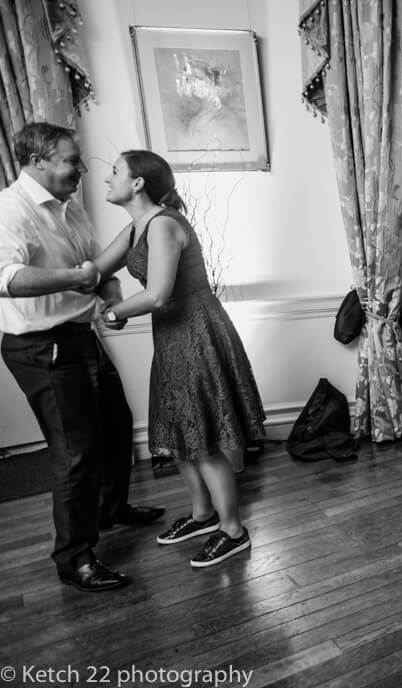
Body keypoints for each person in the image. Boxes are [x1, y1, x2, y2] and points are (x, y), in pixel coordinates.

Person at [0, 122, 163, 592]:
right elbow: (7, 278)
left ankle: (113, 509)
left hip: (80, 334)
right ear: (38, 161)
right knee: (75, 452)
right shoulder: (11, 210)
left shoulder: (71, 211)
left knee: (116, 425)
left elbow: (97, 268)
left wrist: (110, 294)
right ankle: (74, 557)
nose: (82, 170)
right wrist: (77, 279)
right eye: (72, 161)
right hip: (40, 345)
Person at [94, 149, 266, 568]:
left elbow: (157, 294)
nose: (107, 179)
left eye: (115, 172)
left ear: (137, 183)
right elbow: (96, 270)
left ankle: (233, 531)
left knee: (203, 436)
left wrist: (115, 311)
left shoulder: (164, 225)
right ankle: (204, 515)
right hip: (171, 338)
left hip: (196, 333)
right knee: (180, 431)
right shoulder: (137, 227)